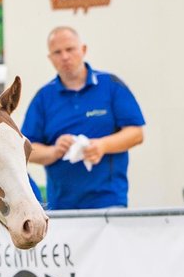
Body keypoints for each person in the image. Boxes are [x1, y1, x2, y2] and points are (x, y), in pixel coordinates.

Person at [22, 26, 145, 210]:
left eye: (70, 49)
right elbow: (26, 149)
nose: (64, 56)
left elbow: (136, 133)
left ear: (83, 50)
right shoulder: (43, 98)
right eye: (57, 52)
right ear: (50, 58)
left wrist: (102, 146)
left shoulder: (111, 86)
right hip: (62, 207)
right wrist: (54, 151)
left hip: (109, 203)